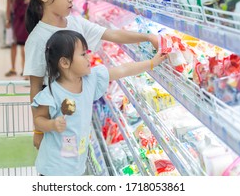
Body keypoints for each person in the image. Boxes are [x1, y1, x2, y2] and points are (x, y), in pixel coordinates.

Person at [23, 0, 159, 149]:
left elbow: (112, 34)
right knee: (60, 159)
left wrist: (147, 37)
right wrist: (38, 130)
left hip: (78, 109)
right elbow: (35, 87)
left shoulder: (75, 23)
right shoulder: (37, 38)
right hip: (56, 114)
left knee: (74, 155)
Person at [32, 30, 166, 175]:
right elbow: (38, 119)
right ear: (65, 62)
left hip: (76, 165)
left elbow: (123, 70)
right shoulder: (52, 93)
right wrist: (51, 124)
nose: (88, 57)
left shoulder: (91, 79)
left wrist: (152, 63)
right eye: (83, 54)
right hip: (53, 168)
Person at [5, 0, 34, 77]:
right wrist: (7, 19)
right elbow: (8, 3)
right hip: (14, 18)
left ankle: (24, 69)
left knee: (25, 45)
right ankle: (13, 68)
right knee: (13, 43)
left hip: (27, 19)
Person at [12, 0, 30, 79]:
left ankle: (26, 72)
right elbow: (18, 13)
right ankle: (25, 72)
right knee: (23, 51)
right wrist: (26, 5)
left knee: (27, 52)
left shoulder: (32, 0)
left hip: (28, 29)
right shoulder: (19, 0)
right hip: (21, 29)